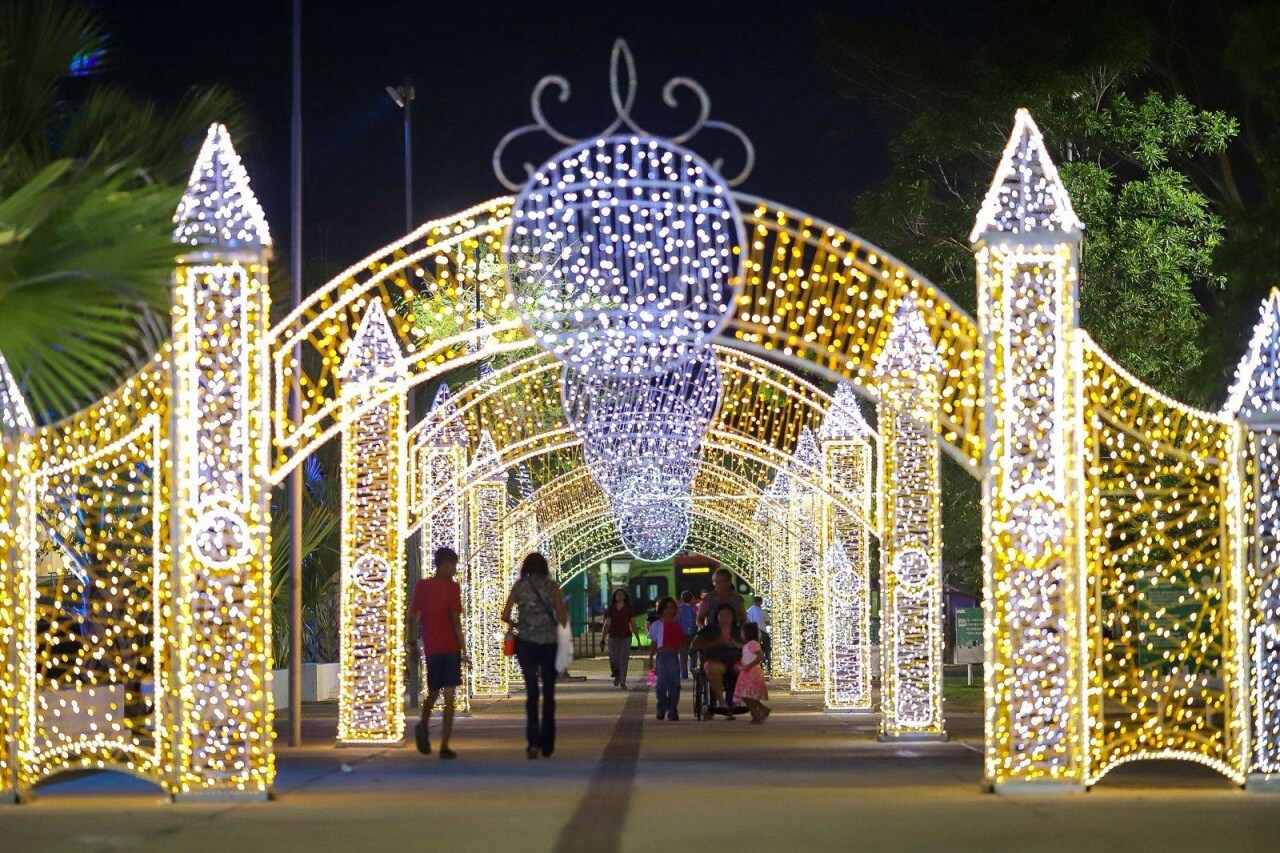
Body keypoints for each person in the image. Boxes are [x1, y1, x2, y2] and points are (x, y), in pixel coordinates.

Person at [501, 552, 568, 759]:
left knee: (532, 692)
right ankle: (548, 741)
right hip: (549, 643)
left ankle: (533, 742)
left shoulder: (520, 586)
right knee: (548, 692)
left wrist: (517, 624)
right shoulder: (552, 586)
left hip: (526, 643)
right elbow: (562, 617)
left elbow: (505, 614)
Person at [408, 547, 467, 759]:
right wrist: (412, 643)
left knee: (447, 695)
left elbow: (454, 620)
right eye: (452, 565)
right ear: (444, 564)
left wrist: (462, 649)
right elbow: (414, 615)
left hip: (444, 648)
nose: (454, 569)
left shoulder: (446, 587)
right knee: (436, 694)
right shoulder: (429, 587)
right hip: (439, 648)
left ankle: (442, 743)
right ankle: (426, 727)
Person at [691, 603, 743, 718]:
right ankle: (722, 702)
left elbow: (750, 645)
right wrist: (715, 643)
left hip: (735, 660)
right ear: (717, 617)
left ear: (733, 617)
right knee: (712, 668)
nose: (725, 618)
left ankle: (736, 700)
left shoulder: (739, 631)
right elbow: (694, 647)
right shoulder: (709, 630)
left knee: (744, 668)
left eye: (728, 615)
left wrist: (736, 644)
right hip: (715, 660)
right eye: (722, 615)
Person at [646, 596, 687, 721]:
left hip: (673, 656)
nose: (669, 610)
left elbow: (682, 644)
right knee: (661, 684)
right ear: (661, 609)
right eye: (666, 608)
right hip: (661, 656)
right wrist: (651, 659)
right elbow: (653, 643)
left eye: (672, 608)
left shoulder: (677, 626)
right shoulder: (656, 625)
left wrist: (683, 662)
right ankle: (662, 706)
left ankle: (672, 709)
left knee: (675, 684)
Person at [601, 588, 642, 688]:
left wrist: (638, 639)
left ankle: (623, 681)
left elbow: (633, 624)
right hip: (613, 637)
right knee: (614, 659)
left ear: (625, 597)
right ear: (614, 597)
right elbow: (607, 624)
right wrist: (603, 638)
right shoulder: (610, 609)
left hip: (626, 637)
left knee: (624, 659)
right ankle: (617, 674)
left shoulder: (629, 609)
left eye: (621, 594)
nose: (619, 596)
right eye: (617, 594)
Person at [735, 622, 771, 724]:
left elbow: (760, 656)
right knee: (745, 695)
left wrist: (749, 665)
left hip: (751, 672)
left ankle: (760, 710)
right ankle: (757, 713)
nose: (741, 634)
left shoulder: (752, 644)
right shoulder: (748, 645)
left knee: (747, 695)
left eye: (742, 632)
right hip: (746, 671)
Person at [745, 595, 772, 673]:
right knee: (766, 650)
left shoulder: (748, 612)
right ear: (761, 602)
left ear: (753, 601)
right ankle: (767, 666)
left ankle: (756, 666)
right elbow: (768, 622)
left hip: (751, 634)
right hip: (763, 633)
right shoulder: (763, 612)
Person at [676, 591, 698, 679]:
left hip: (682, 635)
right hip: (694, 634)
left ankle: (684, 675)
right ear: (691, 598)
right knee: (694, 654)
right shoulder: (695, 609)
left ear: (682, 599)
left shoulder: (678, 609)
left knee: (683, 656)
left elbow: (676, 621)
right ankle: (694, 671)